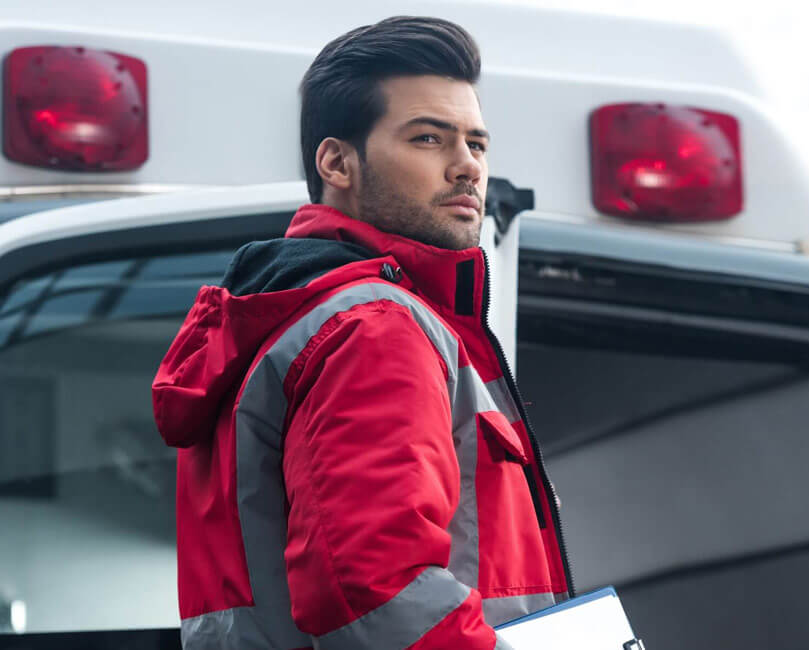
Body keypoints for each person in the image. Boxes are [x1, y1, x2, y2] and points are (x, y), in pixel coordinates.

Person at [152, 16, 570, 649]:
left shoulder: (308, 314)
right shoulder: (373, 325)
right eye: (430, 139)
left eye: (477, 145)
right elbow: (376, 593)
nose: (467, 168)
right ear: (337, 162)